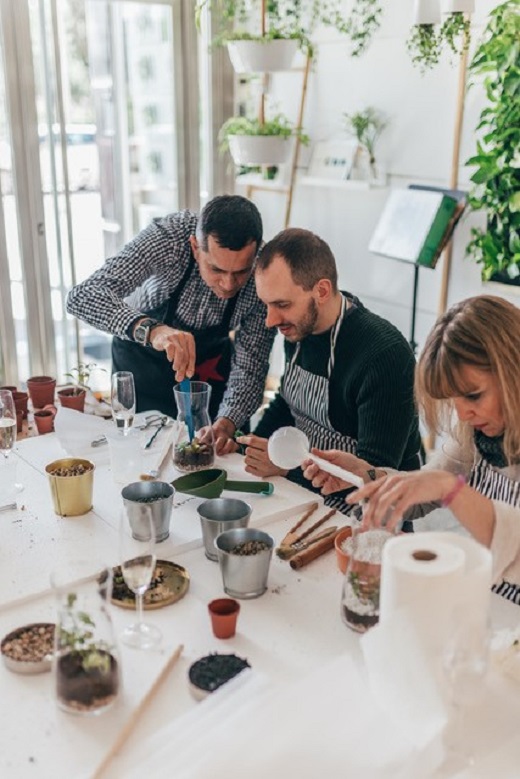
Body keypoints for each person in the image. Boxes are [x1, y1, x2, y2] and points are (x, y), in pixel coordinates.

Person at [303, 295, 520, 598]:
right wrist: (366, 475)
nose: (463, 414)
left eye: (473, 396)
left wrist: (451, 489)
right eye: (454, 400)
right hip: (490, 596)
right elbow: (423, 493)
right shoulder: (476, 432)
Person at [66, 195, 275, 453]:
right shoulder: (168, 239)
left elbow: (250, 366)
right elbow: (82, 296)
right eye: (217, 270)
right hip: (142, 362)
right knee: (142, 455)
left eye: (241, 272)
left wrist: (227, 422)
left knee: (212, 460)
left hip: (208, 372)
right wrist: (151, 330)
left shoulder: (265, 271)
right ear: (195, 247)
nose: (229, 284)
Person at [237, 227, 422, 516]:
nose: (270, 321)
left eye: (282, 305)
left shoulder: (383, 356)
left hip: (364, 513)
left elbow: (375, 477)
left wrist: (285, 468)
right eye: (266, 305)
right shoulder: (299, 329)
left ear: (321, 291)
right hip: (301, 492)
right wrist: (245, 449)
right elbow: (288, 403)